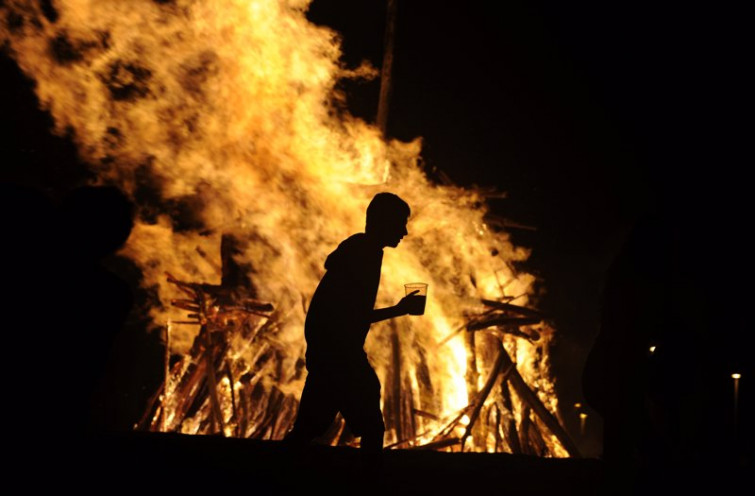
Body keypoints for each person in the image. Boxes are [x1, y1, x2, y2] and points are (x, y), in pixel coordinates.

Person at [286, 192, 422, 454]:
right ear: (384, 221)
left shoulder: (361, 250)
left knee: (309, 427)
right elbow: (350, 314)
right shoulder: (365, 254)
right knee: (370, 426)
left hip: (330, 350)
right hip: (338, 354)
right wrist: (398, 309)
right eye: (400, 223)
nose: (404, 232)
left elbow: (348, 312)